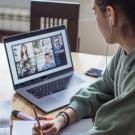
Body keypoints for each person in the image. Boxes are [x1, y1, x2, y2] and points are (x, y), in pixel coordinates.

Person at [35, 0, 135, 134]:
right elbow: (102, 88)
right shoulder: (125, 50)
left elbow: (110, 129)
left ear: (111, 15)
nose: (96, 18)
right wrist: (62, 118)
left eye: (95, 12)